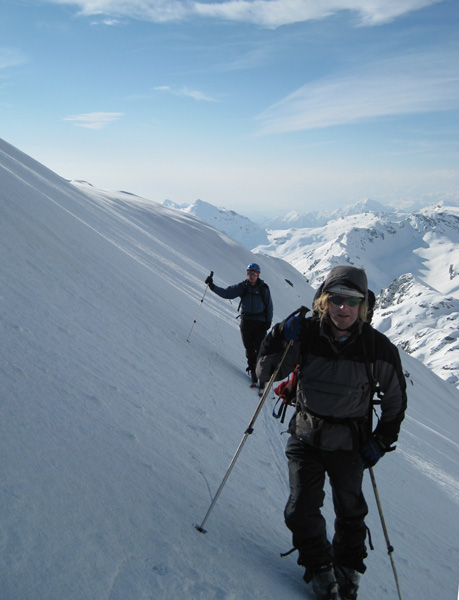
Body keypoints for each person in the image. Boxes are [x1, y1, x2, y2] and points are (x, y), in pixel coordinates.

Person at [256, 266, 407, 600]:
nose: (343, 308)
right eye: (336, 299)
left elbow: (396, 402)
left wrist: (381, 441)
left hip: (350, 444)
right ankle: (320, 567)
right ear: (324, 300)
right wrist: (280, 334)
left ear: (363, 305)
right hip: (307, 436)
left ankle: (348, 569)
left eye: (352, 301)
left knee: (351, 512)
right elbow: (266, 372)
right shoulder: (305, 334)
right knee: (300, 510)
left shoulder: (378, 349)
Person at [205, 263, 273, 386]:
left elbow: (269, 306)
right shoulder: (243, 287)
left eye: (254, 274)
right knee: (249, 348)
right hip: (246, 322)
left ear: (258, 275)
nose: (251, 276)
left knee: (261, 349)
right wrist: (212, 286)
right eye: (249, 274)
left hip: (260, 323)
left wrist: (268, 321)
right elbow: (227, 293)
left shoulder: (264, 289)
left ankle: (261, 375)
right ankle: (253, 371)